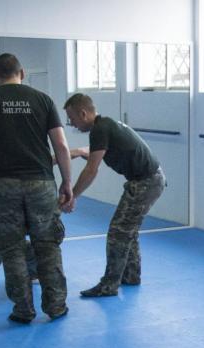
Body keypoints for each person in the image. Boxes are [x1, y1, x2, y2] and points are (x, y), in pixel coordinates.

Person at [0, 53, 73, 324]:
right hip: (41, 183)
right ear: (22, 73)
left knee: (12, 249)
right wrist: (67, 182)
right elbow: (61, 145)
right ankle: (55, 306)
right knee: (48, 246)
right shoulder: (42, 100)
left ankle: (23, 310)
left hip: (2, 185)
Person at [61, 93, 166, 297]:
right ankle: (131, 275)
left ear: (83, 113)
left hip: (146, 182)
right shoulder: (105, 125)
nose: (71, 124)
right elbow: (93, 151)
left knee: (119, 232)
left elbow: (92, 169)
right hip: (151, 179)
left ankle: (109, 285)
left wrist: (73, 195)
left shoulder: (100, 129)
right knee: (128, 230)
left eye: (72, 118)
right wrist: (73, 153)